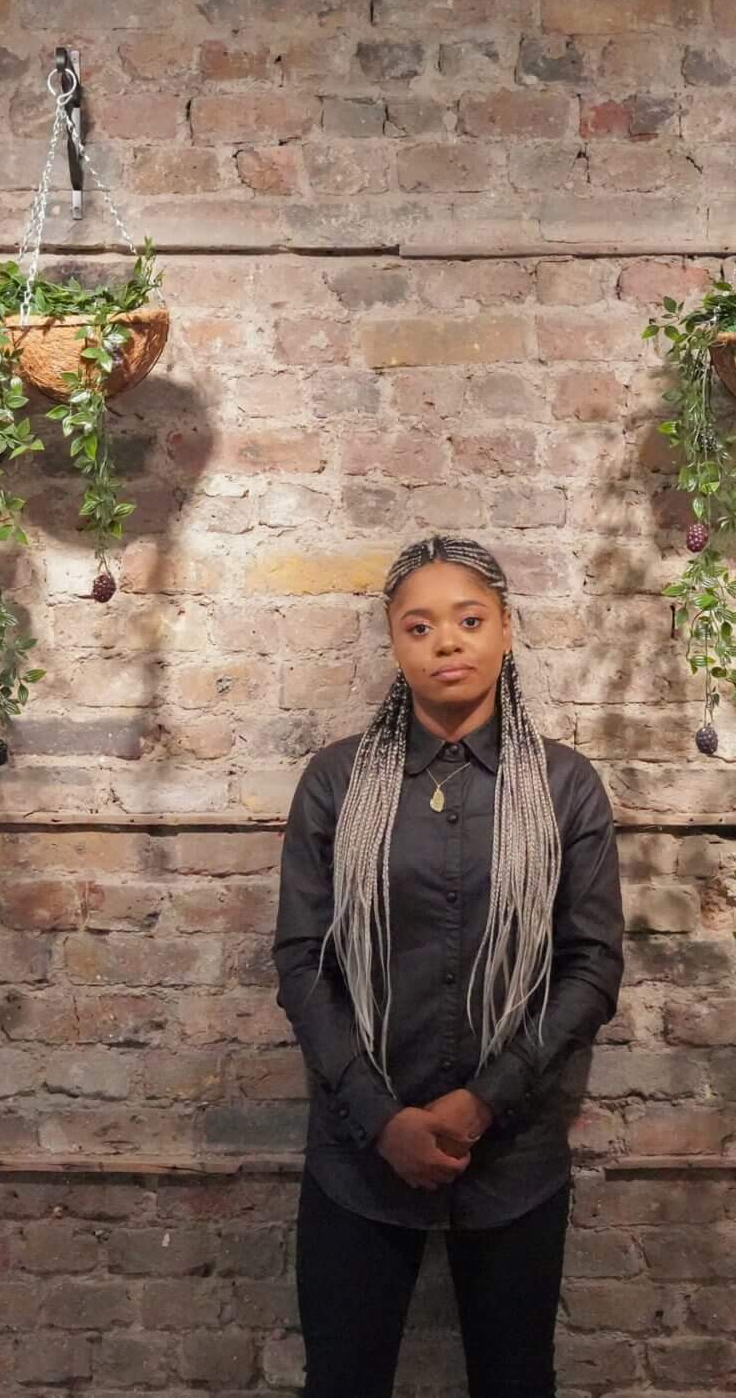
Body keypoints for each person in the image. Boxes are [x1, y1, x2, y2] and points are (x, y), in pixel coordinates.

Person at [273, 535, 626, 1397]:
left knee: (514, 1382)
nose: (447, 642)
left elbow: (591, 966)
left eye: (469, 620)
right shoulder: (338, 782)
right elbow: (300, 959)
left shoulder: (563, 785)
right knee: (343, 1381)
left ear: (506, 630)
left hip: (512, 1159)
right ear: (395, 646)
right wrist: (378, 1115)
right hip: (358, 1155)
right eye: (419, 626)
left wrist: (481, 1102)